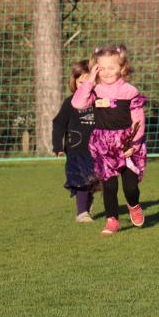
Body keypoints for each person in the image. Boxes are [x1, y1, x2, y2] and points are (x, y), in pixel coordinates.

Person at [73, 44, 147, 236]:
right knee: (109, 186)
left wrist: (133, 145)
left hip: (127, 145)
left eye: (111, 68)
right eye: (102, 68)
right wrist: (89, 80)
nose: (106, 72)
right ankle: (112, 221)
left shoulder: (130, 91)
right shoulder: (95, 90)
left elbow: (138, 120)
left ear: (122, 68)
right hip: (103, 145)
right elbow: (78, 103)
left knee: (130, 187)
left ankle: (134, 205)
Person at [51, 60, 98, 223]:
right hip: (76, 150)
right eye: (81, 82)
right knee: (80, 181)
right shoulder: (70, 103)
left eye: (89, 81)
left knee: (94, 181)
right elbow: (58, 124)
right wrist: (57, 146)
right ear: (74, 82)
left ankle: (88, 199)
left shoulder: (100, 101)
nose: (85, 85)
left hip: (98, 150)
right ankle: (82, 213)